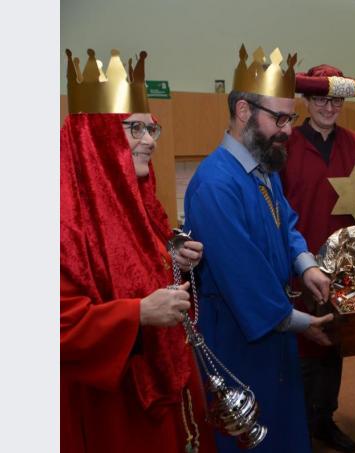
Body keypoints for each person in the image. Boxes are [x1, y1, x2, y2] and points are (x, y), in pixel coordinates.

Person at [61, 48, 214, 452]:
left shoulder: (136, 200)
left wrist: (172, 253)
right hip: (109, 403)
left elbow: (137, 258)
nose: (149, 141)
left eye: (152, 129)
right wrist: (137, 314)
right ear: (96, 137)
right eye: (135, 129)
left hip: (163, 386)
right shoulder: (61, 218)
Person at [182, 45, 334, 453]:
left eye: (291, 118)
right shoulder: (216, 184)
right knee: (252, 438)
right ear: (245, 113)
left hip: (274, 327)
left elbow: (287, 225)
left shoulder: (264, 166)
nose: (287, 129)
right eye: (279, 118)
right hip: (238, 338)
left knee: (282, 425)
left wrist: (306, 267)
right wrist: (304, 324)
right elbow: (242, 276)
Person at [280, 64, 355, 453]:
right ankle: (297, 421)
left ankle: (324, 418)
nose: (328, 107)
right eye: (320, 99)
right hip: (297, 263)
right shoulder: (286, 144)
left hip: (342, 265)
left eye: (335, 100)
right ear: (306, 101)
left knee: (333, 343)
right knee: (301, 345)